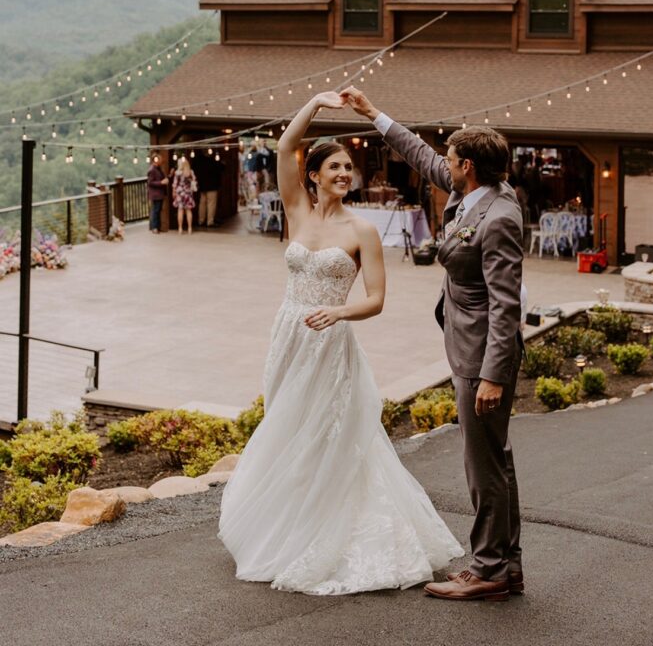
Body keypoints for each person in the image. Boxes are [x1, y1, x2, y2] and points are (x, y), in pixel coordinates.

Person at [218, 92, 462, 594]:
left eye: (349, 166)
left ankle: (329, 531)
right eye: (335, 166)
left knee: (327, 434)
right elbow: (286, 147)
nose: (345, 173)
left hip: (330, 341)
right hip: (287, 334)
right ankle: (285, 526)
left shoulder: (363, 231)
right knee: (287, 426)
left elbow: (375, 299)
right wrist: (316, 103)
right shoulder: (297, 210)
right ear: (314, 175)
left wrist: (338, 311)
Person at [344, 87, 524, 603]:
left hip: (482, 356)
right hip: (468, 347)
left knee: (482, 464)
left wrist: (491, 374)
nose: (442, 165)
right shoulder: (478, 191)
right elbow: (420, 154)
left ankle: (487, 569)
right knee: (496, 459)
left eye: (450, 159)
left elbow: (506, 305)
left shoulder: (500, 216)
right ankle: (506, 564)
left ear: (466, 166)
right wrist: (372, 114)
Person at [196, 154, 224, 228]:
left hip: (202, 186)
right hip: (212, 186)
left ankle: (201, 220)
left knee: (202, 204)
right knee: (211, 204)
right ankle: (210, 221)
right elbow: (222, 168)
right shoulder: (214, 162)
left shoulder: (200, 163)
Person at [172, 156, 197, 235]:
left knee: (180, 210)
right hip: (188, 193)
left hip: (180, 193)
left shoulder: (178, 172)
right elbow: (194, 181)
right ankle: (190, 228)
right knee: (188, 210)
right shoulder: (190, 172)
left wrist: (174, 192)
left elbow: (175, 184)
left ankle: (180, 228)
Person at [147, 155, 168, 234]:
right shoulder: (152, 170)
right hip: (156, 194)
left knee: (158, 210)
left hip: (159, 193)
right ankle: (154, 227)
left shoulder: (158, 169)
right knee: (155, 210)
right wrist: (161, 182)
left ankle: (158, 227)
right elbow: (150, 182)